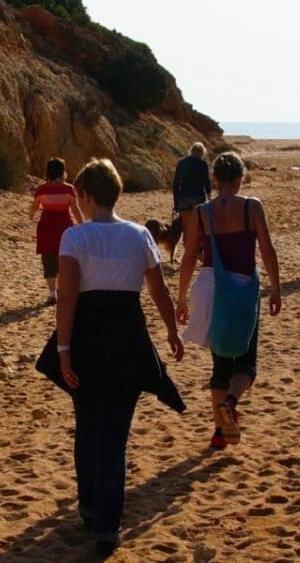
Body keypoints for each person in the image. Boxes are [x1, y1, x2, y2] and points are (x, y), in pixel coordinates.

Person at [43, 159, 185, 556]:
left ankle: (89, 507)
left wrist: (64, 350)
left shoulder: (75, 238)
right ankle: (107, 526)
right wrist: (172, 332)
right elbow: (159, 293)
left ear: (85, 196)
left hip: (87, 338)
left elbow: (68, 298)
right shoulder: (140, 235)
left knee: (87, 425)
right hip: (127, 338)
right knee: (115, 438)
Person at [175, 151, 282, 450]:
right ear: (239, 178)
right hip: (242, 289)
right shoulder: (251, 207)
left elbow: (187, 257)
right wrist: (275, 288)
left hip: (209, 288)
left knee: (221, 364)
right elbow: (268, 249)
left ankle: (219, 432)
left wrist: (182, 298)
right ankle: (231, 403)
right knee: (246, 364)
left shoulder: (201, 211)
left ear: (216, 179)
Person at [30, 157, 84, 305]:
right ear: (62, 171)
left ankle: (52, 293)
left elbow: (35, 206)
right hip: (64, 227)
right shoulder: (68, 189)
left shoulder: (41, 189)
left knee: (48, 259)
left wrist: (31, 215)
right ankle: (61, 289)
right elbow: (74, 209)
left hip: (46, 226)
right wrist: (82, 224)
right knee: (64, 258)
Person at [169, 142, 212, 256]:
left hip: (183, 198)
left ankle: (189, 253)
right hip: (198, 197)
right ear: (202, 153)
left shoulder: (182, 163)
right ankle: (200, 250)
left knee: (187, 228)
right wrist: (209, 195)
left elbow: (176, 183)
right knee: (200, 226)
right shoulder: (203, 163)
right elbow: (206, 181)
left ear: (191, 150)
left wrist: (176, 202)